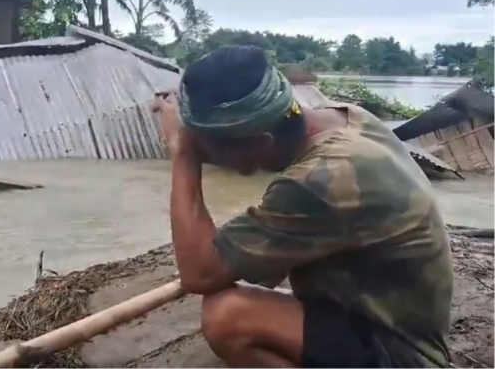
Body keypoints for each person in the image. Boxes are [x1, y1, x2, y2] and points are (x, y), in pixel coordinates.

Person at [149, 45, 453, 368]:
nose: (210, 159)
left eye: (208, 149)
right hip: (386, 322)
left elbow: (200, 273)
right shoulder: (344, 118)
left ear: (261, 143)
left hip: (401, 354)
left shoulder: (317, 179)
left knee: (226, 317)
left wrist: (182, 154)